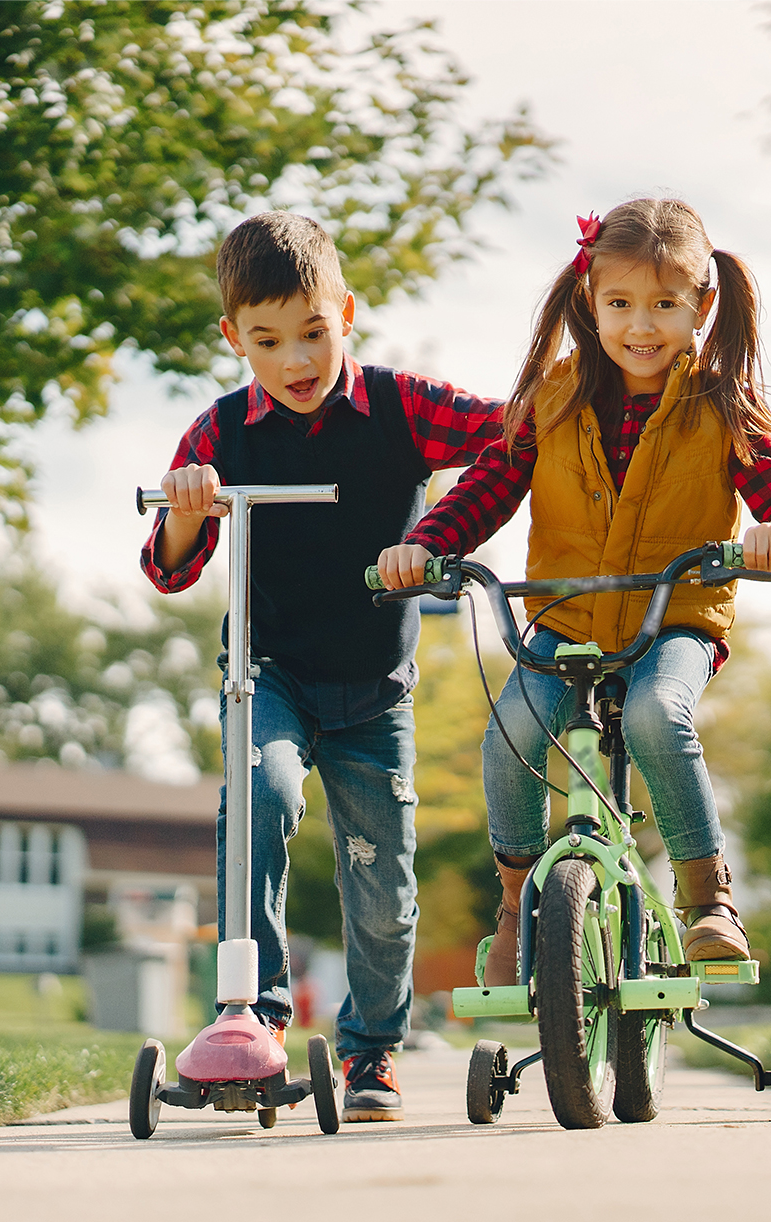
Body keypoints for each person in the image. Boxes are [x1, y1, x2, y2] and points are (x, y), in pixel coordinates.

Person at [375, 198, 771, 987]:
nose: (640, 325)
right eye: (620, 303)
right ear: (591, 301)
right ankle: (517, 906)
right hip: (565, 616)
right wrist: (427, 545)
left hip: (674, 619)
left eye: (664, 304)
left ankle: (707, 900)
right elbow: (485, 489)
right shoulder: (553, 398)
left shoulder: (723, 407)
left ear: (702, 306)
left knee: (659, 711)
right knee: (514, 725)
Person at [142, 210, 501, 1121]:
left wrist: (436, 536)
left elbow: (511, 435)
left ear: (348, 312)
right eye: (267, 341)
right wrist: (190, 505)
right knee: (258, 799)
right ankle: (250, 1016)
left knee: (383, 881)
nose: (296, 359)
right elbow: (167, 565)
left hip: (375, 692)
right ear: (234, 339)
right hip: (267, 675)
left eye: (313, 332)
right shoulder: (220, 431)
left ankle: (371, 1050)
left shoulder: (400, 406)